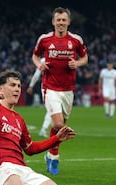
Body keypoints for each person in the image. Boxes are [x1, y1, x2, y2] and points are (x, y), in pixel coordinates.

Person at [32, 7, 88, 175]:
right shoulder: (45, 39)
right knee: (58, 124)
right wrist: (39, 65)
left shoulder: (76, 40)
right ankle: (55, 157)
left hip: (68, 89)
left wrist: (77, 64)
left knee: (59, 128)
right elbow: (35, 56)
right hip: (49, 86)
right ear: (53, 22)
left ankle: (49, 154)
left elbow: (85, 58)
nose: (61, 23)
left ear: (68, 22)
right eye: (58, 20)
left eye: (64, 20)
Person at [26, 58, 51, 138]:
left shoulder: (58, 56)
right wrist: (31, 86)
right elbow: (37, 74)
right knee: (52, 109)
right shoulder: (44, 60)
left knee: (56, 109)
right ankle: (44, 129)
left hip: (57, 88)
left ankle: (51, 128)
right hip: (48, 87)